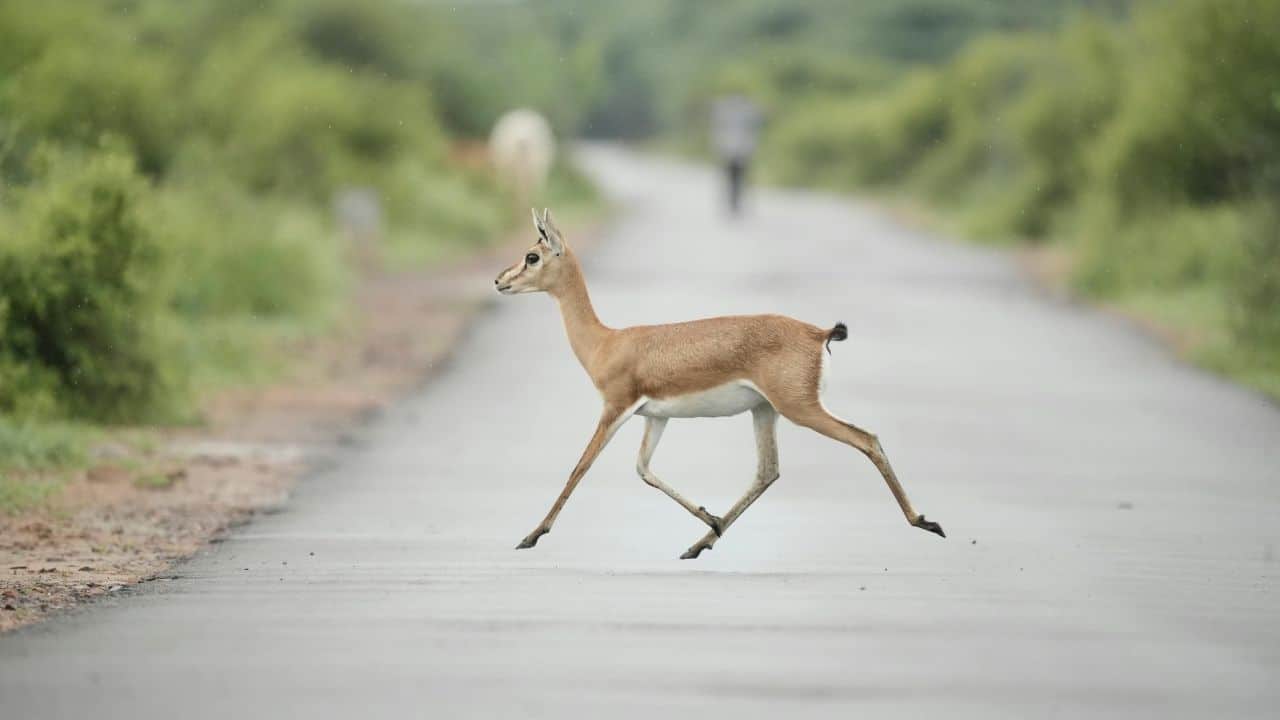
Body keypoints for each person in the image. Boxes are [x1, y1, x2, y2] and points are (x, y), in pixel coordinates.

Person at [710, 94, 762, 216]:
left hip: (740, 153)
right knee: (731, 178)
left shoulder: (744, 115)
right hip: (730, 152)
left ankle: (737, 202)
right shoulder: (726, 116)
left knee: (739, 178)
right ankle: (732, 202)